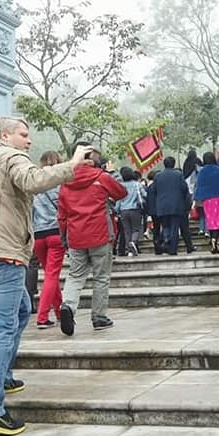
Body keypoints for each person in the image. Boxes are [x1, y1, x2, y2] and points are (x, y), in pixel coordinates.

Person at [0, 117, 87, 435]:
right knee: (3, 327)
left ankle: (2, 377)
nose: (29, 141)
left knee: (19, 311)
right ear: (5, 135)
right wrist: (72, 164)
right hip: (3, 251)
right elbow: (32, 181)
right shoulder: (10, 156)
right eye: (24, 134)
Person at [57, 144, 128, 336]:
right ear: (95, 160)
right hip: (100, 234)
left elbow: (62, 215)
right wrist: (110, 175)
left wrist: (64, 237)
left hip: (75, 236)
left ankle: (68, 307)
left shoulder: (65, 182)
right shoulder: (101, 177)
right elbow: (121, 192)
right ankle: (99, 317)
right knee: (101, 277)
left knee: (75, 275)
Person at [33, 151, 66, 329]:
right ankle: (42, 316)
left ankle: (59, 311)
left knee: (49, 275)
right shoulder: (61, 183)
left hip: (38, 235)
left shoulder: (35, 184)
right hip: (55, 233)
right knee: (52, 275)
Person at [153, 157, 194, 255]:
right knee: (174, 227)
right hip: (176, 205)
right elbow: (184, 188)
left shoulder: (158, 176)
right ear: (174, 164)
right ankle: (172, 249)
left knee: (165, 226)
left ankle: (166, 241)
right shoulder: (178, 175)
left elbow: (154, 190)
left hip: (162, 206)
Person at [193, 153, 219, 254]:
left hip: (207, 199)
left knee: (210, 219)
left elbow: (198, 185)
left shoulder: (201, 172)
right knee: (218, 220)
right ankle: (215, 239)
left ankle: (211, 237)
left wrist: (195, 200)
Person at [115, 166, 144, 256]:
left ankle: (129, 250)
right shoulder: (137, 184)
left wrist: (116, 209)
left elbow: (119, 199)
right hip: (135, 209)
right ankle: (133, 242)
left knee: (127, 231)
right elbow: (144, 195)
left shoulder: (121, 185)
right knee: (136, 229)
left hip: (123, 210)